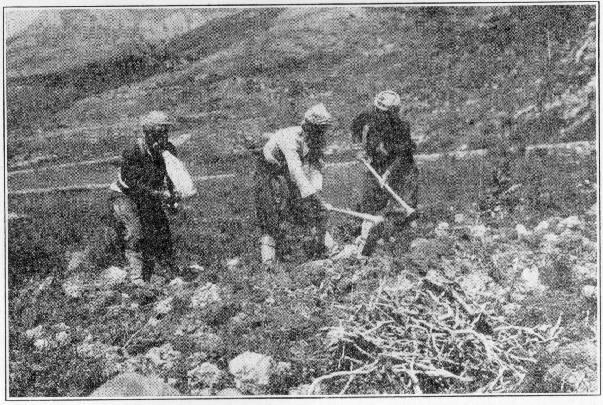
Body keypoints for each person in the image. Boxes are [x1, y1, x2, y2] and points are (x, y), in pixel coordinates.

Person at [254, 103, 336, 264]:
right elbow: (296, 171)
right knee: (271, 217)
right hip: (268, 173)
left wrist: (317, 196)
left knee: (312, 211)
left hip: (286, 174)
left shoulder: (316, 142)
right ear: (308, 127)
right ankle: (268, 263)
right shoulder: (289, 138)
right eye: (319, 130)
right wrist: (316, 199)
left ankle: (327, 249)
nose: (322, 134)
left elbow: (316, 168)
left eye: (323, 130)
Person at [108, 111, 181, 286]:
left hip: (149, 194)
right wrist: (158, 194)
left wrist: (173, 195)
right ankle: (136, 276)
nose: (164, 135)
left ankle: (165, 270)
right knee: (136, 231)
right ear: (148, 132)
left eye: (166, 131)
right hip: (125, 195)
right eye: (159, 131)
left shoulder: (168, 149)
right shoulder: (133, 151)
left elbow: (170, 174)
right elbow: (131, 181)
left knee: (161, 230)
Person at [351, 90, 418, 255]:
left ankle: (400, 245)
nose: (380, 114)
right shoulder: (368, 116)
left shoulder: (402, 126)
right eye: (378, 110)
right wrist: (359, 149)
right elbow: (356, 129)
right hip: (376, 166)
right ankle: (365, 244)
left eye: (385, 112)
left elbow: (404, 155)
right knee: (367, 203)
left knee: (400, 210)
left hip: (401, 169)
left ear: (394, 112)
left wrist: (389, 173)